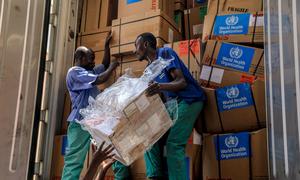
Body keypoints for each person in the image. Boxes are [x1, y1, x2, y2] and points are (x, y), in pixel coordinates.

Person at [113, 32, 206, 180]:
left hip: (189, 100)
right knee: (149, 137)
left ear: (145, 44)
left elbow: (181, 82)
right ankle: (155, 176)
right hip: (172, 105)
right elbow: (158, 99)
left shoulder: (165, 53)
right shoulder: (149, 70)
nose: (134, 50)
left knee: (173, 145)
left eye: (136, 46)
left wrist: (160, 86)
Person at [62, 32, 119, 180]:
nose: (93, 62)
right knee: (74, 160)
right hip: (80, 122)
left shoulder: (88, 71)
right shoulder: (74, 72)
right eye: (90, 59)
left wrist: (106, 46)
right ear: (80, 58)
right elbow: (101, 77)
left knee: (112, 147)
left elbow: (104, 65)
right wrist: (113, 67)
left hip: (95, 120)